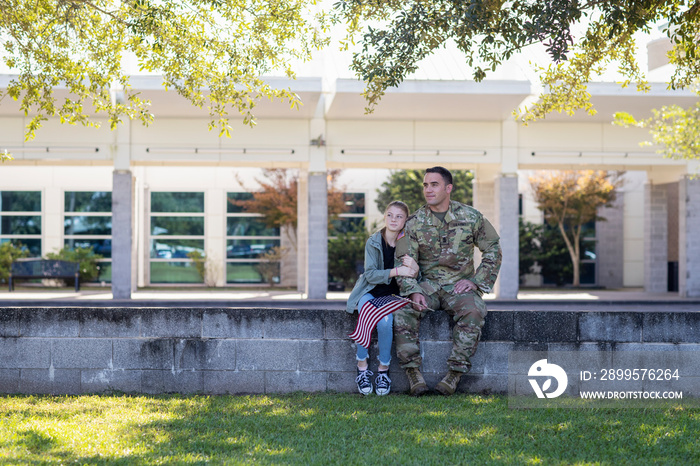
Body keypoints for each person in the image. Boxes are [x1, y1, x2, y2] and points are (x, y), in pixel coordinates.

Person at [394, 166, 502, 396]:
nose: (428, 189)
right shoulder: (414, 222)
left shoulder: (470, 217)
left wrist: (476, 281)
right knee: (403, 310)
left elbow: (493, 248)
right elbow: (405, 261)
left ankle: (454, 375)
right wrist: (412, 290)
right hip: (428, 286)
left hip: (459, 286)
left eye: (434, 184)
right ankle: (413, 373)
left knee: (474, 310)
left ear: (448, 188)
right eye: (425, 185)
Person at [346, 200, 418, 396]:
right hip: (369, 291)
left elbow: (416, 275)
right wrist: (397, 270)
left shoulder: (409, 242)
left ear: (405, 221)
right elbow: (370, 275)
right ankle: (362, 367)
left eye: (399, 216)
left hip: (394, 295)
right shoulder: (374, 241)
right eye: (390, 215)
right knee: (366, 314)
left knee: (385, 322)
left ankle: (383, 372)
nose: (393, 219)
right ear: (385, 216)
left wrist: (415, 267)